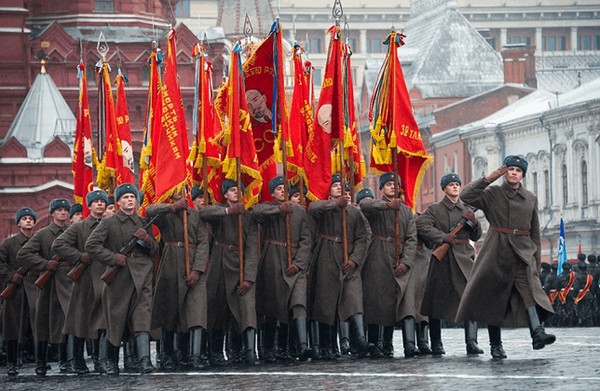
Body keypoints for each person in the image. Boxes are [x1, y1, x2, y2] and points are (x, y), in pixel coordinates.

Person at [457, 156, 555, 359]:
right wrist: (489, 178)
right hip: (497, 250)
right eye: (510, 169)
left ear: (522, 175)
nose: (513, 173)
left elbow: (534, 230)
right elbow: (466, 195)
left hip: (523, 251)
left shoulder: (530, 198)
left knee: (530, 292)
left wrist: (536, 259)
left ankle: (537, 334)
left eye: (518, 171)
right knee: (495, 298)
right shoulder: (493, 193)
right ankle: (496, 345)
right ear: (505, 172)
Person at [85, 183, 160, 375]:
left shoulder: (143, 222)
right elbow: (92, 245)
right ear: (118, 202)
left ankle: (144, 360)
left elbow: (156, 250)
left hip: (142, 274)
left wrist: (148, 239)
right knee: (116, 320)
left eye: (132, 197)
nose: (130, 200)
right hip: (119, 276)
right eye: (125, 197)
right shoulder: (109, 223)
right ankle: (111, 362)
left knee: (142, 317)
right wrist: (113, 258)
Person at [416, 173, 483, 357]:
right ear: (444, 188)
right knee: (436, 301)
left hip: (464, 257)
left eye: (457, 184)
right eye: (451, 184)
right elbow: (421, 225)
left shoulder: (466, 209)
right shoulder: (435, 209)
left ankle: (472, 342)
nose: (455, 187)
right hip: (443, 259)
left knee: (469, 300)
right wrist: (442, 237)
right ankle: (436, 343)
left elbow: (476, 236)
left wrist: (475, 222)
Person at [307, 174, 371, 359]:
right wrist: (336, 204)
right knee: (327, 303)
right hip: (327, 255)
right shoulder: (326, 208)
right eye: (335, 186)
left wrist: (355, 259)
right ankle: (327, 346)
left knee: (353, 299)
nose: (339, 189)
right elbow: (313, 207)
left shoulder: (354, 212)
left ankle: (359, 340)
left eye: (342, 186)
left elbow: (362, 237)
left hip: (349, 259)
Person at [146, 192, 210, 370]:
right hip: (170, 265)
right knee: (170, 313)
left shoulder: (195, 216)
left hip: (193, 263)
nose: (180, 193)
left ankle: (193, 355)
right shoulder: (165, 214)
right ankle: (167, 354)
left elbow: (204, 243)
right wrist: (171, 208)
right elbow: (149, 211)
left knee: (195, 312)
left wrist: (197, 270)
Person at [199, 179, 260, 366]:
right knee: (217, 311)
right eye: (233, 190)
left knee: (244, 310)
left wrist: (249, 278)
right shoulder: (219, 210)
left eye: (239, 190)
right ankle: (215, 352)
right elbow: (204, 213)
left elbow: (252, 250)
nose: (237, 193)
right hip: (219, 264)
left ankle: (247, 351)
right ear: (225, 194)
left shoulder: (248, 217)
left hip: (239, 266)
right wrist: (228, 211)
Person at [253, 176, 313, 363]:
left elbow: (306, 239)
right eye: (278, 189)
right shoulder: (269, 208)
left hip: (295, 261)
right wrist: (278, 209)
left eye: (284, 188)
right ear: (272, 193)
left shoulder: (299, 211)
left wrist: (299, 262)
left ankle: (302, 345)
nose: (282, 192)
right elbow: (255, 212)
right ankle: (271, 348)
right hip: (273, 259)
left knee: (298, 303)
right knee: (274, 306)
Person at [360, 173, 418, 358]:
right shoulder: (376, 206)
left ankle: (391, 343)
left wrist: (406, 261)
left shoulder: (406, 211)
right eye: (388, 185)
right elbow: (365, 205)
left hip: (399, 255)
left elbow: (411, 238)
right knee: (377, 300)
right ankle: (375, 343)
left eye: (395, 184)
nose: (393, 187)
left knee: (395, 302)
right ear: (382, 188)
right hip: (378, 253)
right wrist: (387, 205)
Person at [51, 190, 108, 374]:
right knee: (79, 321)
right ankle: (77, 360)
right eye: (96, 202)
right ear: (89, 206)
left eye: (102, 201)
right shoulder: (79, 227)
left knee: (102, 321)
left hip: (105, 277)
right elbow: (58, 245)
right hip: (85, 278)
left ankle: (100, 361)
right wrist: (79, 256)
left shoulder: (110, 224)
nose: (99, 204)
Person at [18, 198, 71, 376]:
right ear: (52, 213)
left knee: (65, 322)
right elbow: (23, 253)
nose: (63, 213)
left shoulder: (72, 232)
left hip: (67, 282)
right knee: (42, 324)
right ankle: (40, 363)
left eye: (65, 210)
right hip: (48, 284)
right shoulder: (43, 234)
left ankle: (65, 361)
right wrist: (44, 264)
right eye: (59, 210)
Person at [0, 207, 37, 376]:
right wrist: (11, 277)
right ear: (18, 223)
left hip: (34, 288)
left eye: (31, 218)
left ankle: (38, 360)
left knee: (35, 326)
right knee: (12, 328)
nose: (28, 221)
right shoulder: (9, 244)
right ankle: (12, 363)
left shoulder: (38, 241)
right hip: (15, 291)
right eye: (25, 219)